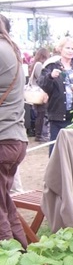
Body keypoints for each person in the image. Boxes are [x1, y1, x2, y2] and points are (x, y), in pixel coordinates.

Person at [0, 13, 29, 249]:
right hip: (14, 139)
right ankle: (22, 254)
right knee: (6, 206)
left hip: (3, 140)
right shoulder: (10, 48)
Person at [38, 37, 73, 154]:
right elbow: (42, 84)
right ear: (60, 49)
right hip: (57, 114)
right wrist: (50, 76)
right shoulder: (51, 66)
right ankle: (56, 172)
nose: (70, 51)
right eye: (67, 48)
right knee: (56, 151)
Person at [28, 47, 51, 142]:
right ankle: (39, 135)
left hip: (38, 93)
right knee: (41, 115)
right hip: (39, 93)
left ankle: (40, 134)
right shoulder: (39, 65)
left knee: (41, 115)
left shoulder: (36, 64)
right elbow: (40, 78)